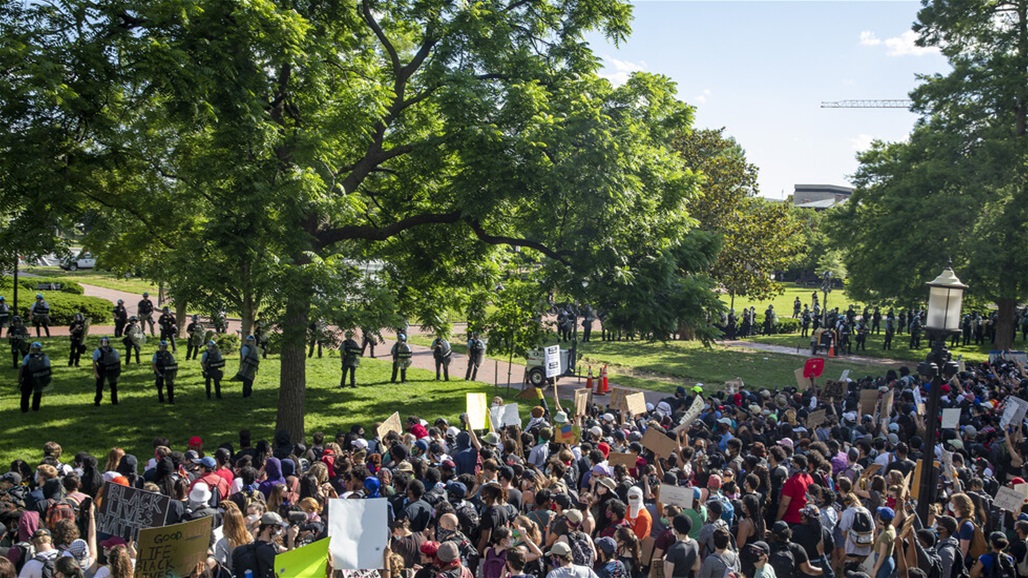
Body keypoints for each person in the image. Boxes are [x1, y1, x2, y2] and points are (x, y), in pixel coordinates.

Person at [663, 514, 700, 578]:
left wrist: (664, 561)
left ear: (676, 530)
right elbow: (697, 567)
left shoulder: (673, 549)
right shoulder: (695, 544)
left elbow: (668, 576)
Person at [19, 342, 51, 413]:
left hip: (28, 378)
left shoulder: (28, 357)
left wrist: (20, 378)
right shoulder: (45, 357)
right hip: (39, 378)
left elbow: (22, 368)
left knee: (25, 394)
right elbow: (47, 368)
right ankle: (36, 408)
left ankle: (24, 410)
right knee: (37, 394)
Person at [92, 337, 121, 407]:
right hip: (106, 371)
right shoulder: (112, 351)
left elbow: (117, 361)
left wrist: (96, 373)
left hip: (108, 370)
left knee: (110, 387)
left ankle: (113, 401)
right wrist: (96, 373)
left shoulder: (99, 351)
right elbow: (94, 363)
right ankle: (99, 402)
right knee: (102, 387)